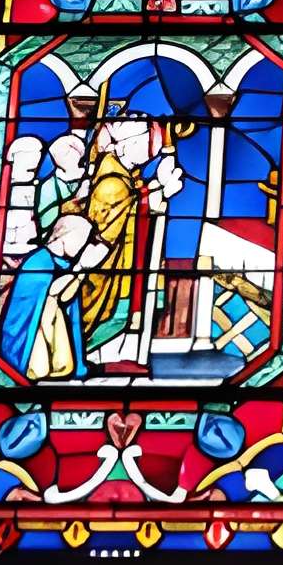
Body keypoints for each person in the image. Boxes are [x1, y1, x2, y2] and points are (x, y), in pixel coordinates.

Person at [78, 115, 184, 374]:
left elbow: (136, 199)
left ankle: (117, 355)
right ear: (125, 145)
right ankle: (103, 354)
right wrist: (160, 193)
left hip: (125, 261)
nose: (148, 152)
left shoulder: (124, 177)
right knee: (113, 310)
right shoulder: (112, 184)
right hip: (110, 267)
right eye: (144, 145)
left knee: (125, 308)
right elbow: (112, 228)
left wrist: (157, 187)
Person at [0, 211, 108, 381]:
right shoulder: (38, 261)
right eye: (82, 239)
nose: (84, 245)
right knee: (38, 371)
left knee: (65, 368)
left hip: (52, 326)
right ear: (67, 236)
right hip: (27, 332)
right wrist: (80, 267)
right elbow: (51, 294)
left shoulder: (65, 263)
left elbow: (64, 299)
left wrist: (82, 271)